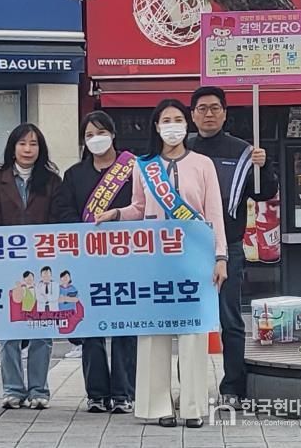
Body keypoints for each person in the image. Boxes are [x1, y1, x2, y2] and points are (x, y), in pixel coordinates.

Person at [96, 99, 227, 428]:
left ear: (187, 124)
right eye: (166, 120)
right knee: (154, 333)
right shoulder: (144, 166)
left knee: (193, 333)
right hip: (154, 258)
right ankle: (158, 407)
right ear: (156, 126)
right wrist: (116, 213)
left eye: (178, 119)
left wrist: (220, 257)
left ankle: (193, 407)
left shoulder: (203, 164)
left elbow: (214, 214)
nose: (172, 126)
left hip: (194, 258)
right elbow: (139, 208)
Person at [188, 86, 278, 409]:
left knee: (231, 319)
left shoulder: (243, 152)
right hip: (186, 249)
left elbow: (264, 193)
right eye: (202, 108)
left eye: (215, 108)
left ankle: (233, 388)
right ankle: (190, 389)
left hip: (230, 247)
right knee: (188, 321)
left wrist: (263, 166)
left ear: (225, 113)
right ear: (193, 114)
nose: (208, 114)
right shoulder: (183, 149)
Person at [53, 110, 137, 414]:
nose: (96, 139)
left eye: (100, 132)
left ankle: (124, 392)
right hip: (88, 260)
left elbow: (142, 208)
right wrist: (84, 233)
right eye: (89, 135)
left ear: (113, 134)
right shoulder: (74, 175)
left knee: (125, 327)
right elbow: (63, 212)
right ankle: (97, 393)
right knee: (90, 327)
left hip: (127, 259)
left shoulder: (133, 169)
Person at [0, 123, 61, 410]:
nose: (28, 149)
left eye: (34, 144)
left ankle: (39, 389)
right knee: (9, 329)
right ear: (12, 147)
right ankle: (12, 389)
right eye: (22, 143)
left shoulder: (52, 182)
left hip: (43, 266)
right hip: (7, 266)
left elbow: (59, 222)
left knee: (42, 331)